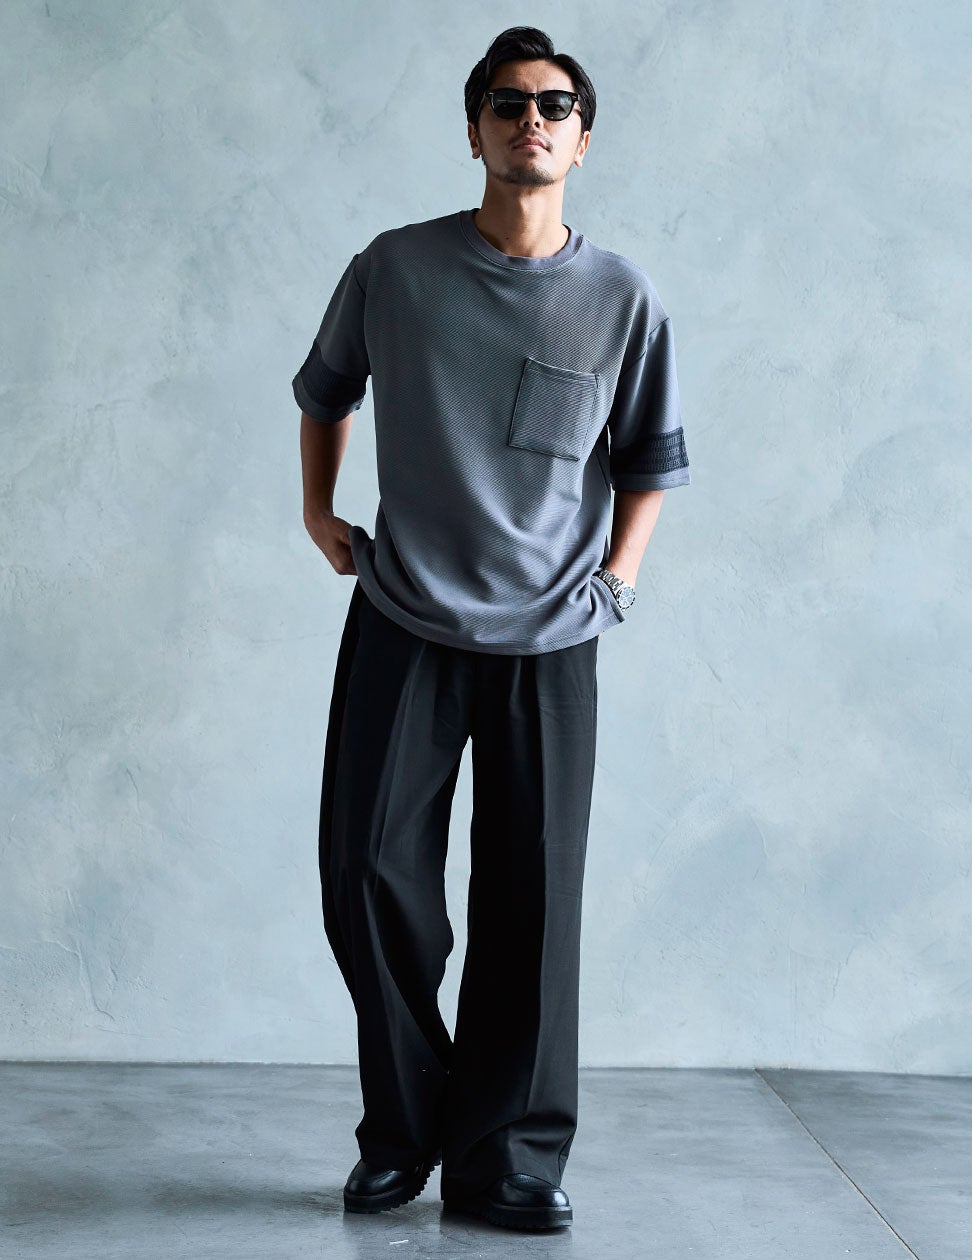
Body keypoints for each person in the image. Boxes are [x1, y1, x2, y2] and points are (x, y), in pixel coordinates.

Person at [294, 25, 691, 1232]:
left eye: (556, 105)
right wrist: (318, 511)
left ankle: (505, 1157)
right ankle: (405, 1130)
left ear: (583, 140)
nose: (533, 120)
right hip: (405, 615)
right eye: (509, 103)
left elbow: (649, 461)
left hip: (552, 636)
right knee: (368, 876)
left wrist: (616, 582)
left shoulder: (621, 298)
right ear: (473, 132)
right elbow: (326, 389)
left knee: (535, 902)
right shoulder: (395, 269)